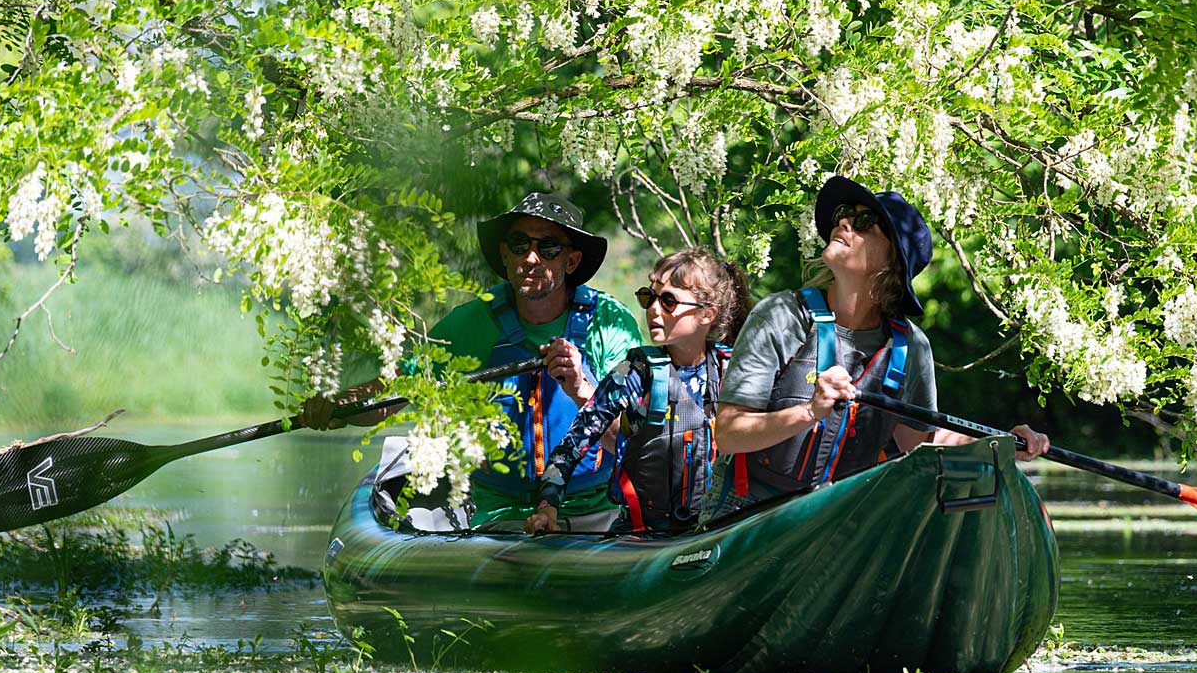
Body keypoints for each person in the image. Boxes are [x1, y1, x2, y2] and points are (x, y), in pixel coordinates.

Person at [706, 175, 1049, 518]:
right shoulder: (781, 316)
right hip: (746, 516)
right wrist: (809, 412)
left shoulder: (911, 347)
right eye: (843, 213)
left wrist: (1001, 446)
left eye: (865, 222)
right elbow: (730, 434)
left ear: (892, 261)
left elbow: (921, 446)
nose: (844, 222)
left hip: (836, 522)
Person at [302, 193, 643, 528]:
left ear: (571, 261)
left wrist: (582, 389)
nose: (531, 258)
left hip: (595, 510)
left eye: (549, 247)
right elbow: (397, 390)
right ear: (505, 254)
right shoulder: (472, 322)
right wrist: (340, 407)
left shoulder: (609, 323)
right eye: (520, 244)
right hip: (498, 515)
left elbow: (634, 441)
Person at [523, 247, 752, 536]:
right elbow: (572, 444)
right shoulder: (636, 372)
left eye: (668, 301)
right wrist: (547, 506)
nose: (653, 309)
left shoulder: (732, 369)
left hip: (718, 533)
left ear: (707, 314)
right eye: (649, 297)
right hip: (642, 538)